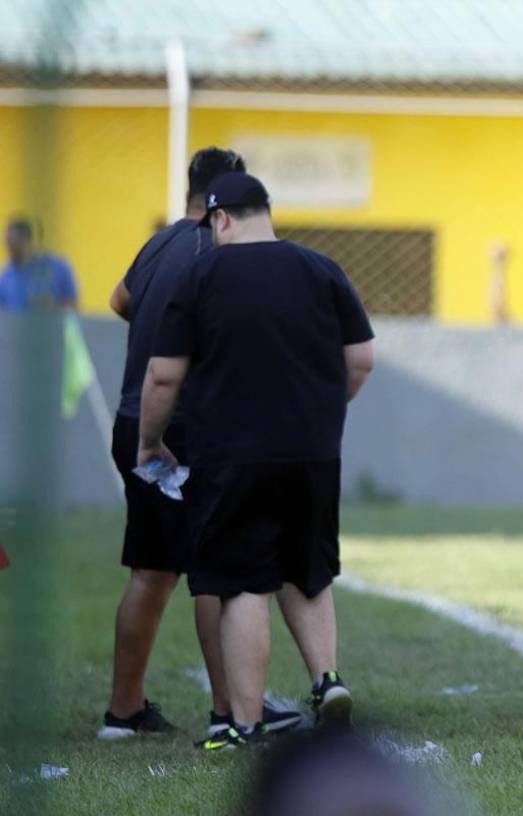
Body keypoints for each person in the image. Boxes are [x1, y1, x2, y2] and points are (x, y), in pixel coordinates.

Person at [139, 171, 375, 750]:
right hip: (313, 448)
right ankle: (328, 680)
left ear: (220, 217)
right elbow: (361, 359)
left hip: (232, 452)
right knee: (307, 571)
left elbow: (164, 375)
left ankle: (244, 723)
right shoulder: (321, 268)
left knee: (244, 584)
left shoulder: (201, 275)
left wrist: (150, 441)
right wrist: (322, 410)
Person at [99, 148, 301, 741]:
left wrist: (158, 332)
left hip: (134, 420)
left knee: (151, 570)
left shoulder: (158, 243)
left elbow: (119, 300)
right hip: (187, 427)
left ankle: (123, 712)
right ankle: (231, 710)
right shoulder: (218, 249)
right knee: (218, 568)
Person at [0, 217, 77, 312]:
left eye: (14, 244)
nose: (10, 250)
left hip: (51, 321)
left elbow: (74, 306)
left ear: (27, 240)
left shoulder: (58, 268)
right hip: (18, 322)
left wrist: (53, 307)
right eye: (7, 244)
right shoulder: (5, 278)